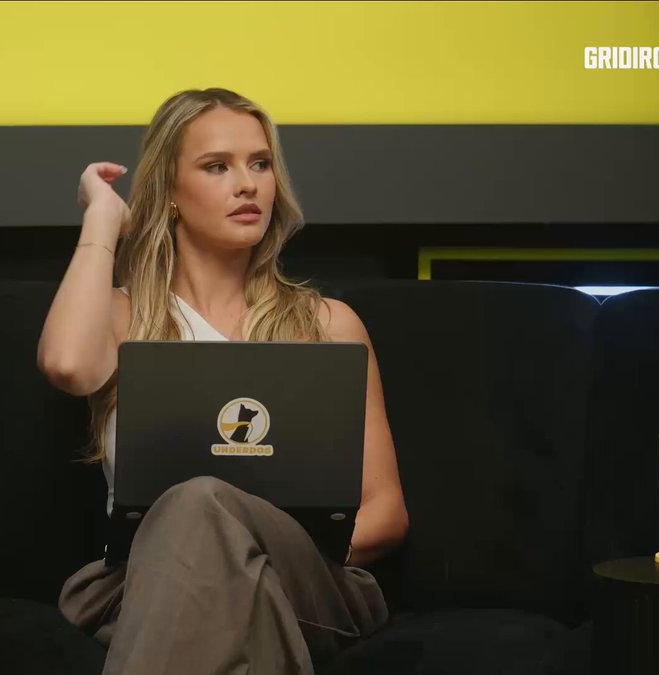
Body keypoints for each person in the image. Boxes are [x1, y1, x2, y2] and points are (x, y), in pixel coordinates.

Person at [37, 88, 409, 674]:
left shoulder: (328, 324)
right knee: (209, 553)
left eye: (259, 164)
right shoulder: (122, 318)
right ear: (170, 191)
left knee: (199, 502)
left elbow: (385, 513)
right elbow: (66, 365)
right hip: (142, 581)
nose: (247, 185)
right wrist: (102, 221)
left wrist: (248, 544)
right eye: (217, 167)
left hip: (310, 579)